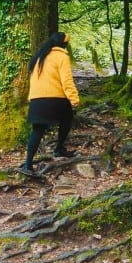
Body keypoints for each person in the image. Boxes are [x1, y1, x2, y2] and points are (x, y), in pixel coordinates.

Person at [17, 31, 80, 176]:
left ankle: (28, 164)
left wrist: (31, 98)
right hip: (55, 98)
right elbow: (67, 81)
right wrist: (74, 99)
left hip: (37, 99)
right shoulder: (62, 56)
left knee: (37, 130)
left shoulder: (39, 56)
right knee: (67, 120)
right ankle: (58, 149)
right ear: (64, 44)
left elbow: (33, 80)